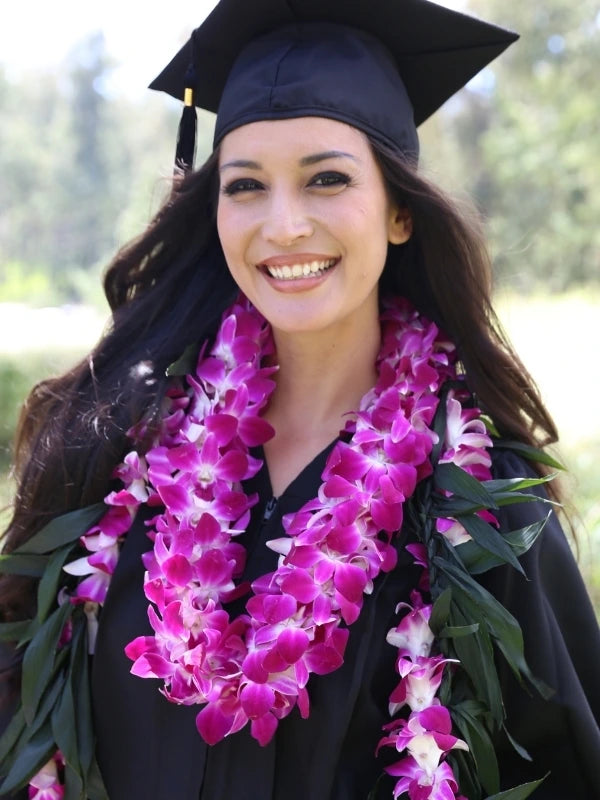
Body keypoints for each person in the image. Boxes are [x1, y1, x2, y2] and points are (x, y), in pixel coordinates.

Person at [1, 0, 599, 798]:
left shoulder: (483, 517)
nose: (283, 225)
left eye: (327, 179)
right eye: (245, 186)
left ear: (397, 211)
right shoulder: (120, 464)